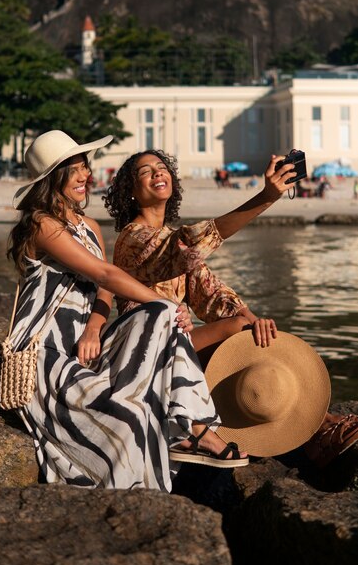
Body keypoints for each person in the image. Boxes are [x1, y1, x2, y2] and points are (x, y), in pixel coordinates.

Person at [6, 130, 249, 492]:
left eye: (84, 167)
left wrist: (94, 327)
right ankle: (195, 433)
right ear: (53, 178)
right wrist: (164, 302)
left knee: (161, 316)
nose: (84, 176)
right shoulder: (43, 224)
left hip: (85, 343)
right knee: (160, 319)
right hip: (47, 350)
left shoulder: (88, 227)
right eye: (72, 170)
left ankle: (195, 430)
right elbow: (105, 273)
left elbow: (103, 288)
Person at [103, 148, 358, 467]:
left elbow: (213, 294)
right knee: (241, 333)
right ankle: (323, 429)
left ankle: (320, 427)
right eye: (145, 171)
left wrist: (262, 331)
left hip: (178, 347)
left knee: (257, 338)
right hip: (148, 351)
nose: (157, 172)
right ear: (130, 192)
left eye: (162, 167)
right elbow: (188, 244)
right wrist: (267, 197)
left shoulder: (168, 239)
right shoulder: (133, 239)